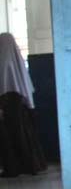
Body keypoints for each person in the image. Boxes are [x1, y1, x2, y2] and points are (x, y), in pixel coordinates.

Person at [0, 32, 46, 177]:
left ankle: (13, 168)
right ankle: (31, 166)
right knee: (23, 136)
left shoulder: (2, 60)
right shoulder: (17, 58)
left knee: (9, 138)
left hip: (6, 102)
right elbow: (25, 85)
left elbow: (3, 85)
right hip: (20, 103)